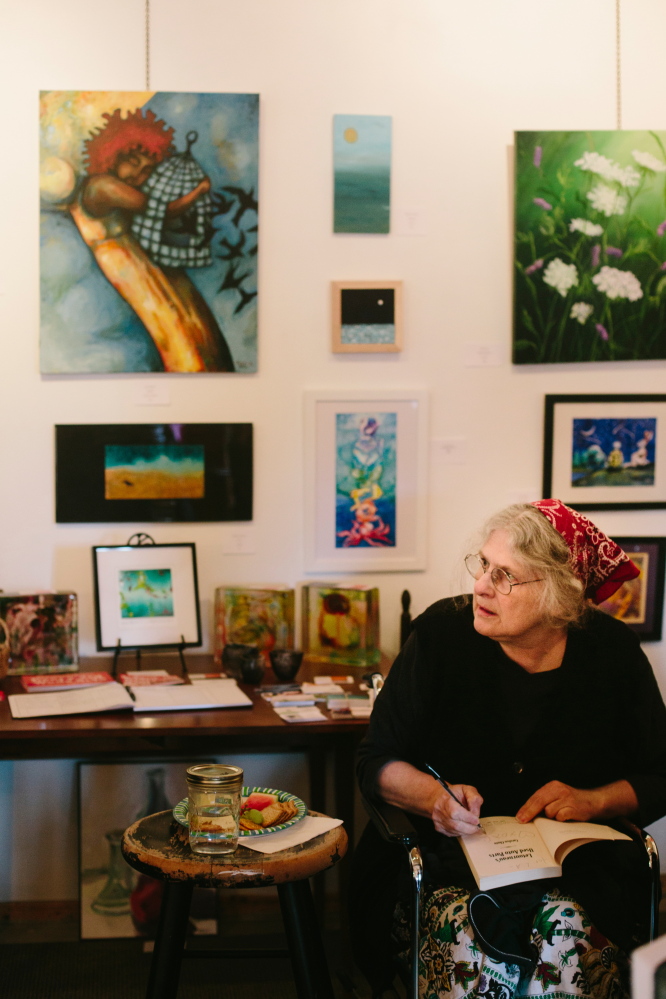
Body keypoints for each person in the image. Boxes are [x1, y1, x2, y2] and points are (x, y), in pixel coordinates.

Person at [352, 499, 666, 999]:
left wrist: (595, 800)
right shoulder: (440, 636)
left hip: (577, 872)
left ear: (562, 596)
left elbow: (659, 775)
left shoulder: (613, 654)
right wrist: (433, 798)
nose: (481, 585)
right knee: (470, 943)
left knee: (567, 931)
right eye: (483, 565)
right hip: (447, 865)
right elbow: (376, 760)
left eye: (506, 576)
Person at [69, 108, 234, 373]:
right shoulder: (102, 186)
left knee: (195, 327)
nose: (139, 175)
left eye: (147, 169)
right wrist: (199, 190)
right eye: (133, 163)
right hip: (127, 264)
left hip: (143, 257)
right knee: (173, 329)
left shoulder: (111, 184)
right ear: (115, 153)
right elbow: (161, 208)